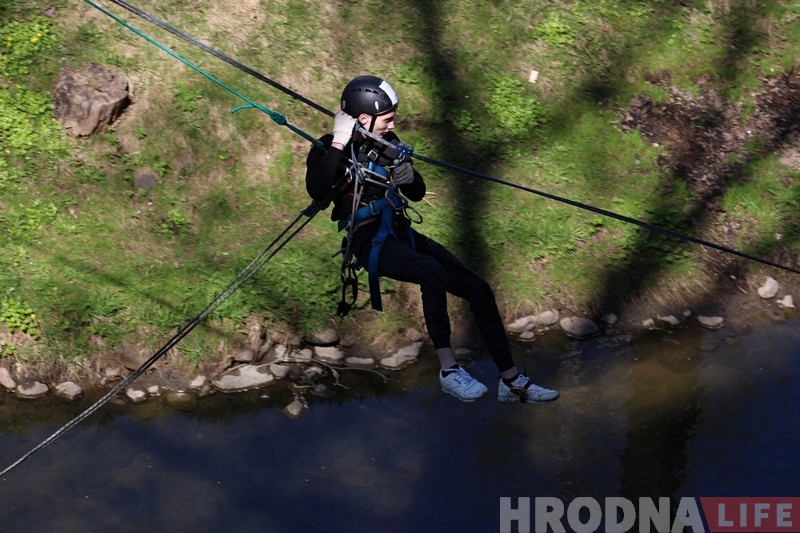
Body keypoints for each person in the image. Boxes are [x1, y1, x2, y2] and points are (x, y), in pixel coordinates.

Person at [305, 75, 558, 403]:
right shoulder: (328, 147)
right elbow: (318, 189)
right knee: (430, 271)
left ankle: (511, 382)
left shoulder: (387, 144)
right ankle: (449, 371)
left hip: (399, 231)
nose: (395, 122)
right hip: (366, 242)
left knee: (480, 290)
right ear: (364, 119)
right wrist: (340, 141)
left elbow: (418, 192)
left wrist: (408, 177)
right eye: (388, 117)